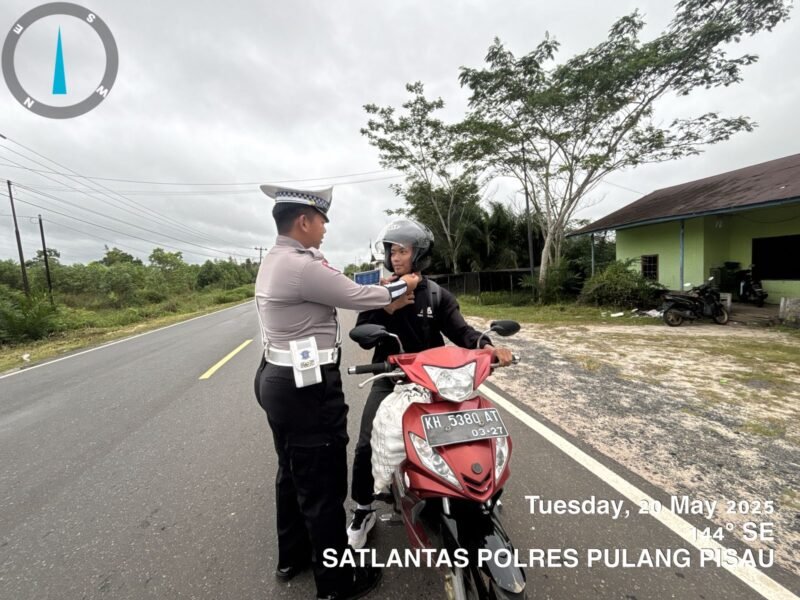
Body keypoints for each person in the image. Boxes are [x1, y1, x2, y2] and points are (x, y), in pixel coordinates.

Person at [253, 185, 419, 600]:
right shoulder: (300, 265)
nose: (326, 228)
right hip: (304, 387)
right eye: (322, 220)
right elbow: (359, 294)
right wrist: (403, 285)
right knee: (323, 486)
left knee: (292, 472)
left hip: (277, 376)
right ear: (305, 221)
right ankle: (336, 584)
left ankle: (294, 556)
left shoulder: (281, 258)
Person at [346, 218, 514, 549]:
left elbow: (461, 332)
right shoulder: (380, 291)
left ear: (419, 255)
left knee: (469, 433)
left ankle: (471, 488)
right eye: (392, 251)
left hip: (436, 380)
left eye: (403, 251)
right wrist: (388, 306)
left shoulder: (437, 294)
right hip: (391, 377)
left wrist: (488, 347)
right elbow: (363, 336)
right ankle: (363, 508)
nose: (395, 258)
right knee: (368, 439)